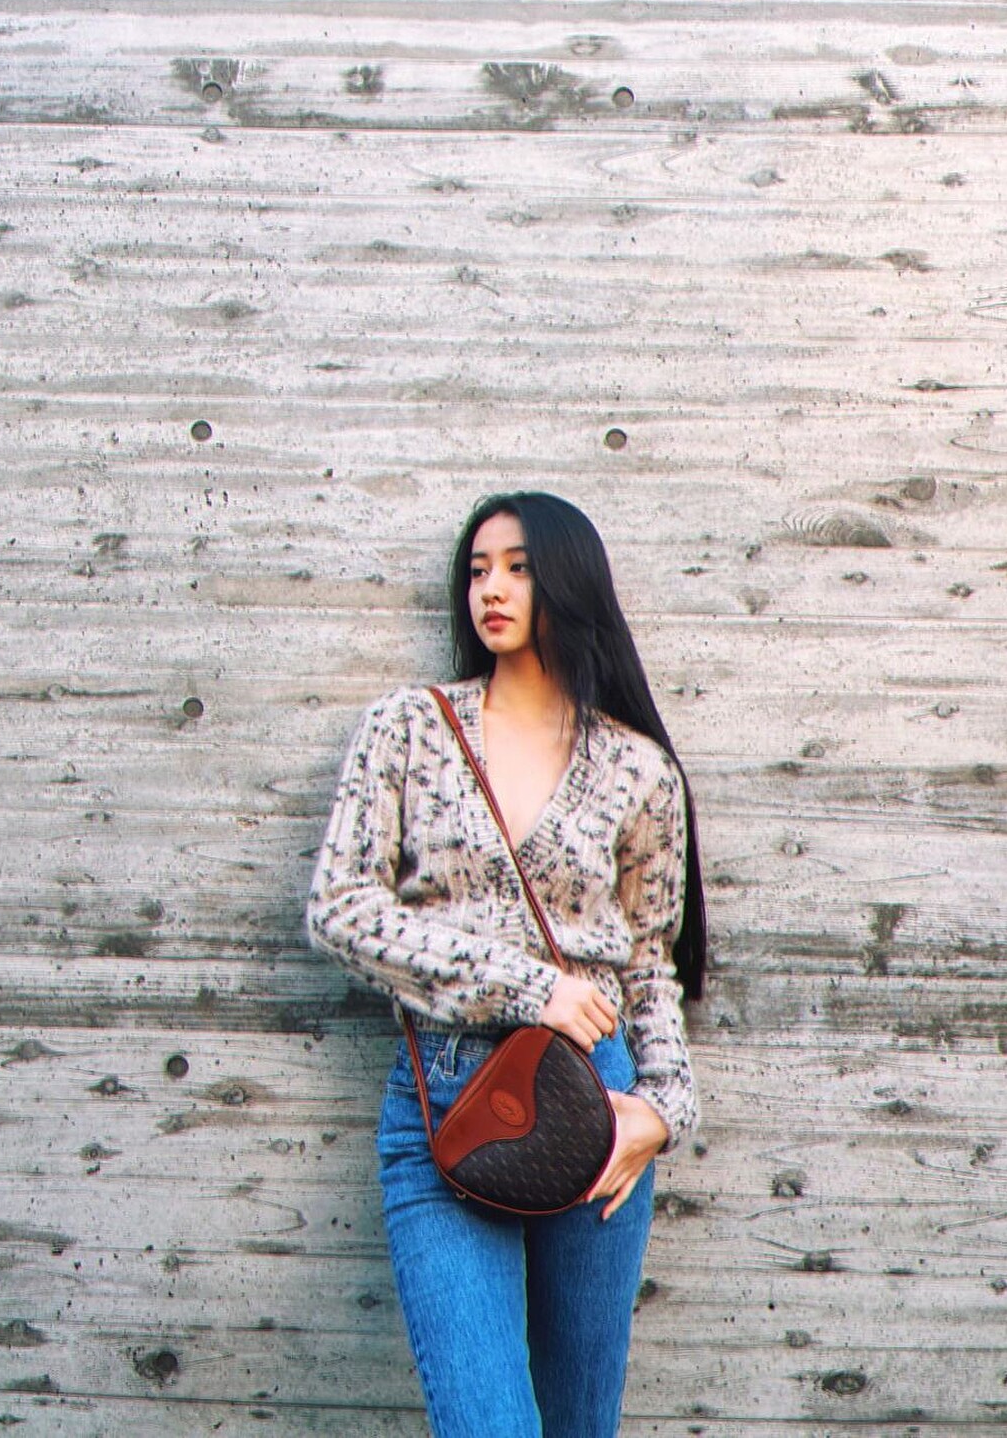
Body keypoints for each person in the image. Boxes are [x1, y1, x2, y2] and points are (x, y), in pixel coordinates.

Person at [308, 491, 706, 1438]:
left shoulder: (638, 769)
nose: (491, 588)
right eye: (479, 569)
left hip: (596, 1100)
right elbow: (339, 907)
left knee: (579, 1424)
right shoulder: (410, 728)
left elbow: (650, 965)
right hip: (443, 1096)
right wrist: (531, 986)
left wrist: (663, 1108)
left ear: (567, 580)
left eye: (518, 568)